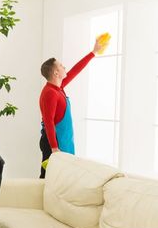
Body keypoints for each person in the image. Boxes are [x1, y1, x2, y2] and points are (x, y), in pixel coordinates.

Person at [38, 34, 110, 177]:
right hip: (53, 143)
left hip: (62, 141)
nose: (64, 67)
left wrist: (93, 52)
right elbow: (48, 121)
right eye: (61, 65)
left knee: (63, 178)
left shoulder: (58, 88)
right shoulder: (50, 93)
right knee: (47, 178)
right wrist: (54, 148)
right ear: (56, 72)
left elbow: (76, 70)